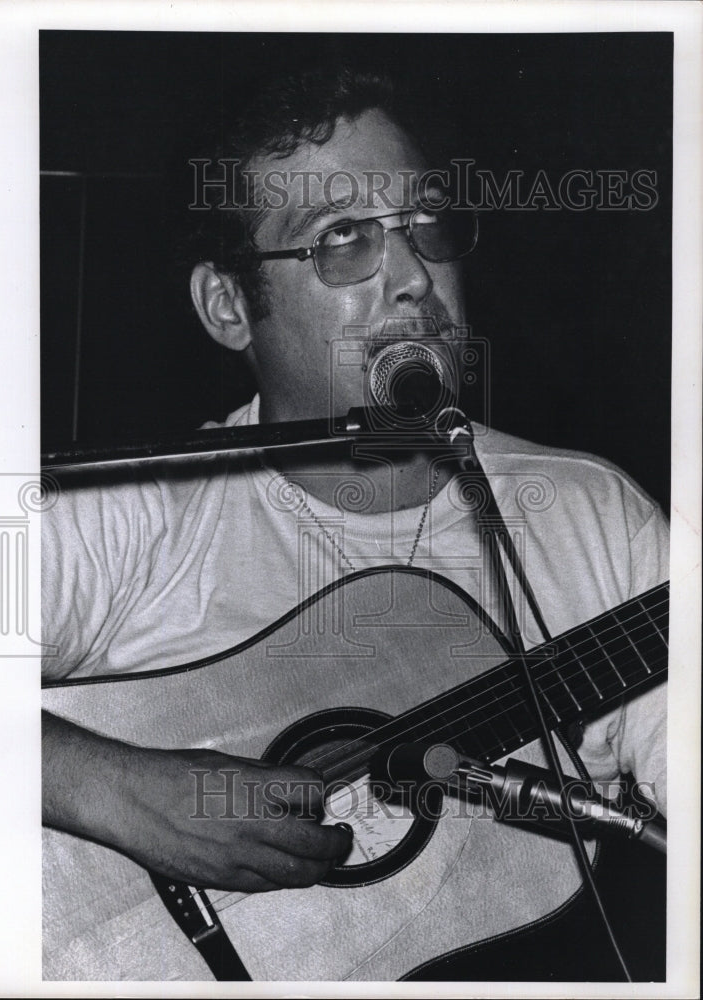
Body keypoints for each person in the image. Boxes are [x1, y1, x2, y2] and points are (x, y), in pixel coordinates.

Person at [41, 66, 668, 980]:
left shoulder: (594, 518)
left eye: (426, 227)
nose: (415, 278)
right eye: (343, 238)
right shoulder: (129, 511)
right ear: (227, 306)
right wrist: (114, 790)